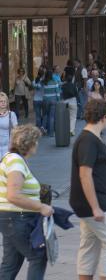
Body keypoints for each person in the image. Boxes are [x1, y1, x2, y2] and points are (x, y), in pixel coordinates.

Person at [70, 99, 106, 280]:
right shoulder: (88, 140)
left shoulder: (92, 138)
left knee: (90, 244)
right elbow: (85, 174)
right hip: (96, 201)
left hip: (95, 199)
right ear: (105, 117)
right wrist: (95, 206)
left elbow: (101, 174)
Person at [0, 125, 53, 279]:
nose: (37, 144)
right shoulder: (16, 162)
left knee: (11, 263)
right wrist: (41, 206)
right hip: (17, 218)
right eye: (36, 141)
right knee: (38, 256)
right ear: (29, 143)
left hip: (10, 218)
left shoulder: (11, 159)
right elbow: (13, 195)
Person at [42, 69, 60, 137]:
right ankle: (51, 133)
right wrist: (58, 100)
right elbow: (57, 93)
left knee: (45, 115)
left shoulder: (44, 82)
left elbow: (37, 85)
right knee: (52, 117)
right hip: (53, 100)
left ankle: (44, 127)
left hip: (45, 100)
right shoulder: (55, 82)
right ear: (52, 75)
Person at [0, 92, 18, 159]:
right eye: (1, 101)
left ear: (7, 103)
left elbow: (16, 130)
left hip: (7, 147)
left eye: (5, 101)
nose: (3, 103)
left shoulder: (11, 115)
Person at [32, 68, 45, 132]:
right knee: (44, 114)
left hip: (36, 100)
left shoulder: (35, 81)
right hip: (43, 100)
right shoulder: (44, 81)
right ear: (43, 75)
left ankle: (38, 128)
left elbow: (33, 85)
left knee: (38, 115)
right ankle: (42, 126)